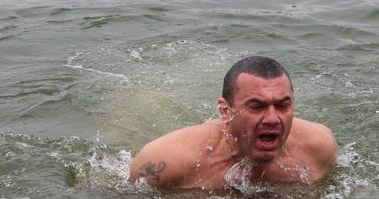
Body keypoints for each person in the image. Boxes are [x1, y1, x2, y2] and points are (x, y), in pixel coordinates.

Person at [128, 56, 337, 190]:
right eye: (256, 106)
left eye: (283, 105)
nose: (273, 119)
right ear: (225, 111)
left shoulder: (318, 147)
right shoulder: (166, 161)